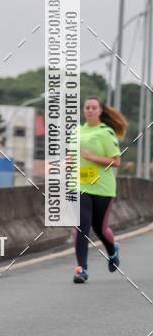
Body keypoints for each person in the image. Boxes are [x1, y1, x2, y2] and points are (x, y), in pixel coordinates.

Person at [70, 95, 127, 284]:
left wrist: (92, 157)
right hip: (79, 185)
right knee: (82, 227)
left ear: (100, 111)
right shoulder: (76, 131)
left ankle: (112, 250)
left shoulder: (106, 132)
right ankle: (82, 270)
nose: (90, 110)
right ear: (83, 110)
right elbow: (72, 157)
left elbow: (116, 161)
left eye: (94, 108)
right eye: (87, 107)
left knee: (100, 229)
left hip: (102, 187)